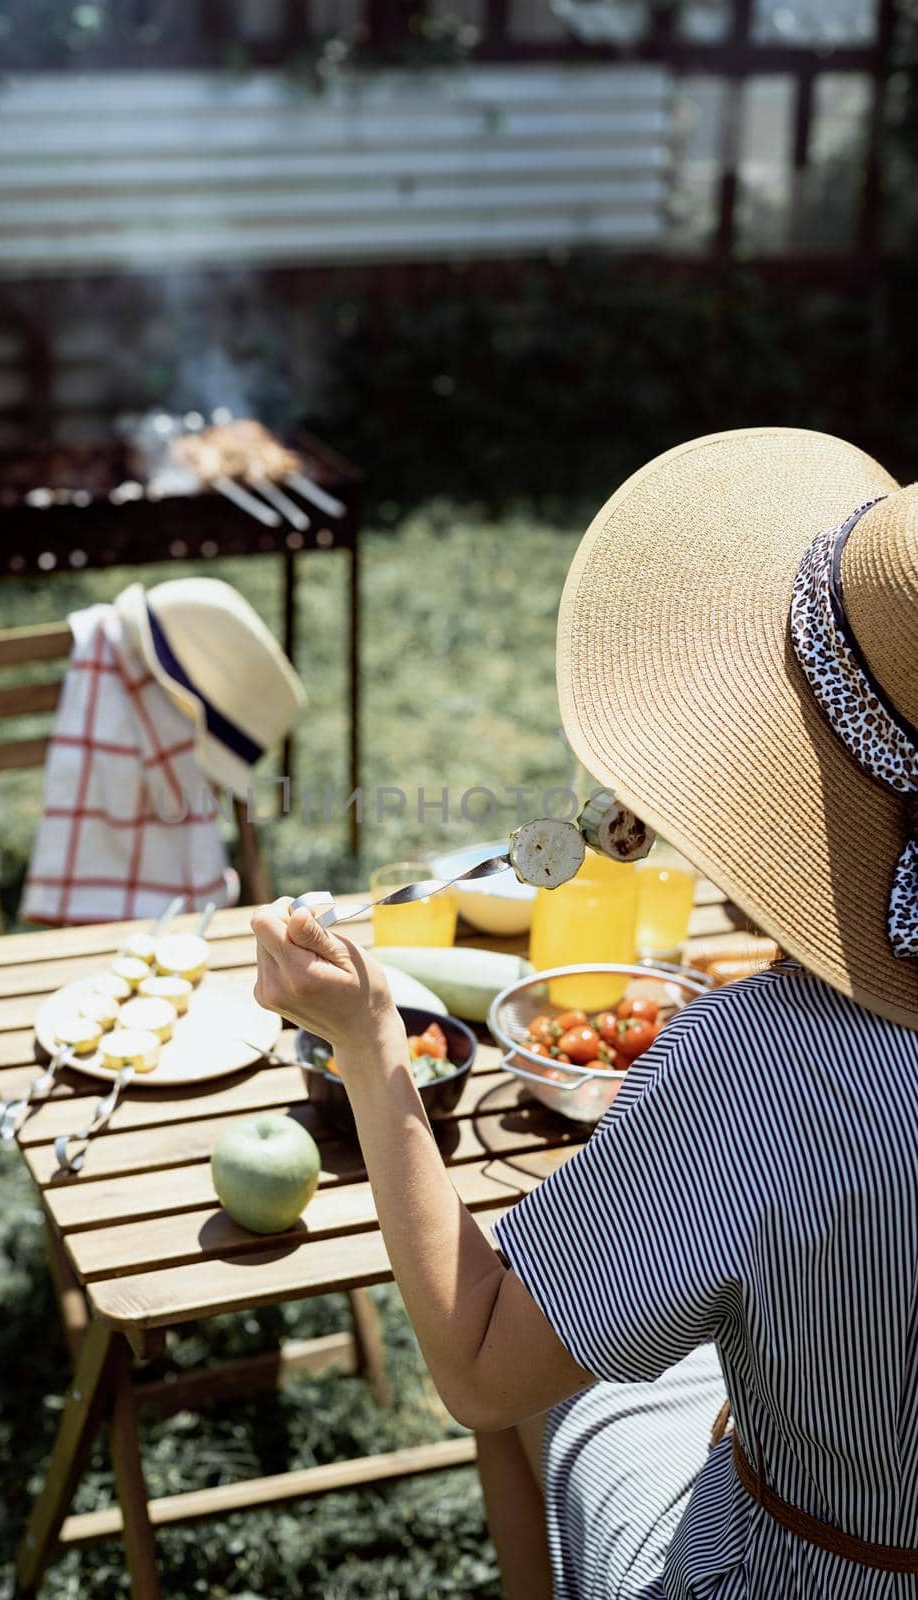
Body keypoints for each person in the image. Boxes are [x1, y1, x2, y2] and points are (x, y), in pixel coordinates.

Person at [250, 428, 918, 1598]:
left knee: (536, 1395)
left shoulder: (764, 1066)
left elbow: (477, 1360)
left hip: (788, 1571)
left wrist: (366, 1045)